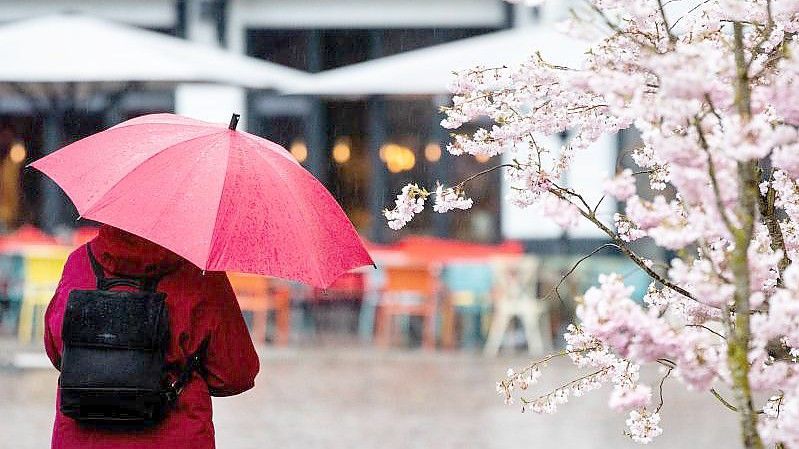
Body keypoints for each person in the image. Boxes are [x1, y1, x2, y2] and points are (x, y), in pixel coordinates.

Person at [43, 225, 260, 449]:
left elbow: (56, 349)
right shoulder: (199, 275)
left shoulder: (78, 262)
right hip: (175, 436)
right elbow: (235, 373)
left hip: (82, 439)